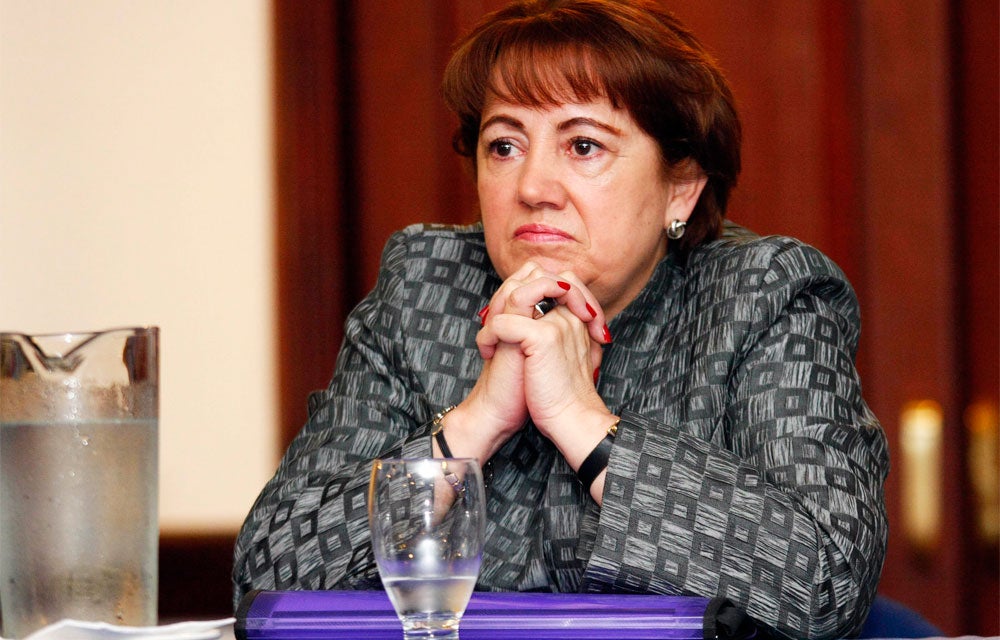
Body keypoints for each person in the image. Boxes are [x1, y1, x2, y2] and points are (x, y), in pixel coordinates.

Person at [232, 1, 888, 638]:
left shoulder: (763, 296)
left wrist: (582, 423)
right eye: (504, 146)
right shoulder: (424, 290)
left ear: (681, 187)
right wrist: (474, 425)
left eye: (582, 145)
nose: (532, 187)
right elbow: (266, 579)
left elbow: (826, 584)